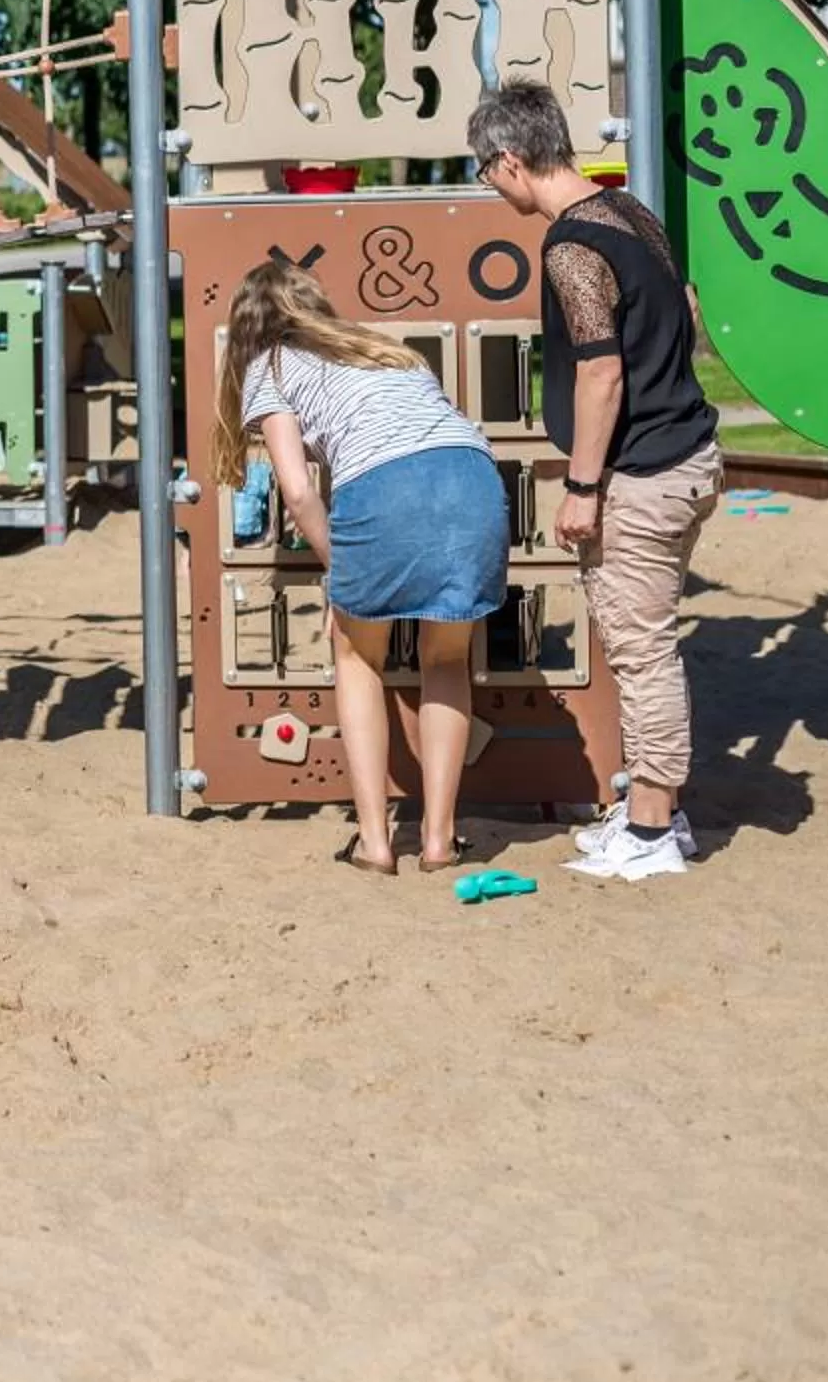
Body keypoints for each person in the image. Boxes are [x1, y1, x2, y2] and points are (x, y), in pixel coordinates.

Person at [471, 82, 721, 881]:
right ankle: (654, 813)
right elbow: (685, 306)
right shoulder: (632, 214)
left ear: (512, 159)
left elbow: (600, 373)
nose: (489, 184)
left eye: (486, 170)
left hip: (640, 472)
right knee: (646, 645)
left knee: (642, 654)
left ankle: (651, 832)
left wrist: (583, 488)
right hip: (688, 452)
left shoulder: (573, 245)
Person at [217, 260, 509, 874]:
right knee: (448, 659)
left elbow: (296, 492)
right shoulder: (384, 350)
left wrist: (338, 565)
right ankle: (438, 839)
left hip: (384, 486)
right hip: (472, 477)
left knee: (356, 656)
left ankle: (375, 842)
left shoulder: (268, 367)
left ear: (249, 325)